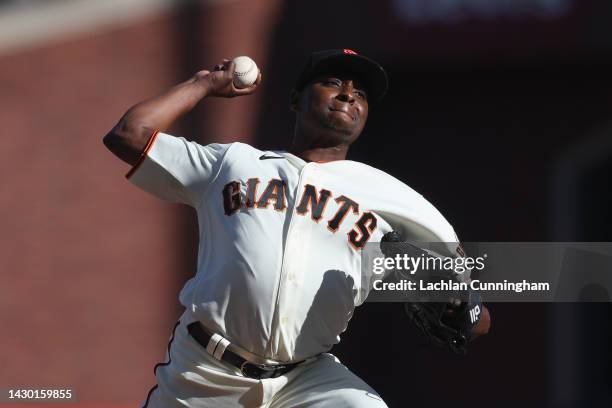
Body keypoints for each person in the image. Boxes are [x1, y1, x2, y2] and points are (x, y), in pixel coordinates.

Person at [103, 49, 490, 408]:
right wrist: (204, 84)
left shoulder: (396, 198)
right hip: (204, 371)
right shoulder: (233, 163)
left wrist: (464, 307)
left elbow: (475, 305)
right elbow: (129, 135)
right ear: (294, 100)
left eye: (361, 93)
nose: (348, 96)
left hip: (306, 380)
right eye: (333, 83)